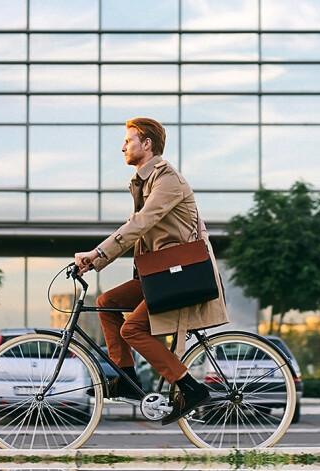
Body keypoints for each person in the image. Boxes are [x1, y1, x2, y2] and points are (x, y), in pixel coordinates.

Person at [74, 117, 229, 426]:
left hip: (181, 274)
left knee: (132, 330)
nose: (122, 147)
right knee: (107, 303)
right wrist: (98, 260)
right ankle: (127, 379)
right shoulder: (144, 182)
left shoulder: (168, 179)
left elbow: (141, 223)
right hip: (158, 275)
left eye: (128, 141)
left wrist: (98, 254)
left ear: (147, 144)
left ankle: (190, 387)